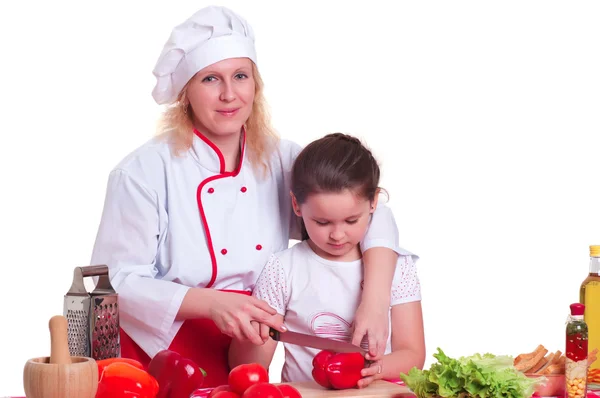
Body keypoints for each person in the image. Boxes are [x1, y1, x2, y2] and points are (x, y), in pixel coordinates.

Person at [90, 6, 403, 387]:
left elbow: (369, 209)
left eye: (240, 76)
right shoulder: (143, 172)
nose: (228, 94)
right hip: (160, 350)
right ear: (186, 91)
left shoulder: (282, 159)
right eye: (210, 79)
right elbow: (116, 281)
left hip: (250, 343)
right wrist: (213, 303)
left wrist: (375, 300)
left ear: (256, 84)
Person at [229, 133, 426, 388]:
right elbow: (248, 367)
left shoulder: (397, 267)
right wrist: (253, 335)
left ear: (374, 202)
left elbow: (412, 355)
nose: (337, 235)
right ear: (297, 206)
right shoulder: (283, 268)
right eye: (322, 222)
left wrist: (372, 370)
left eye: (351, 220)